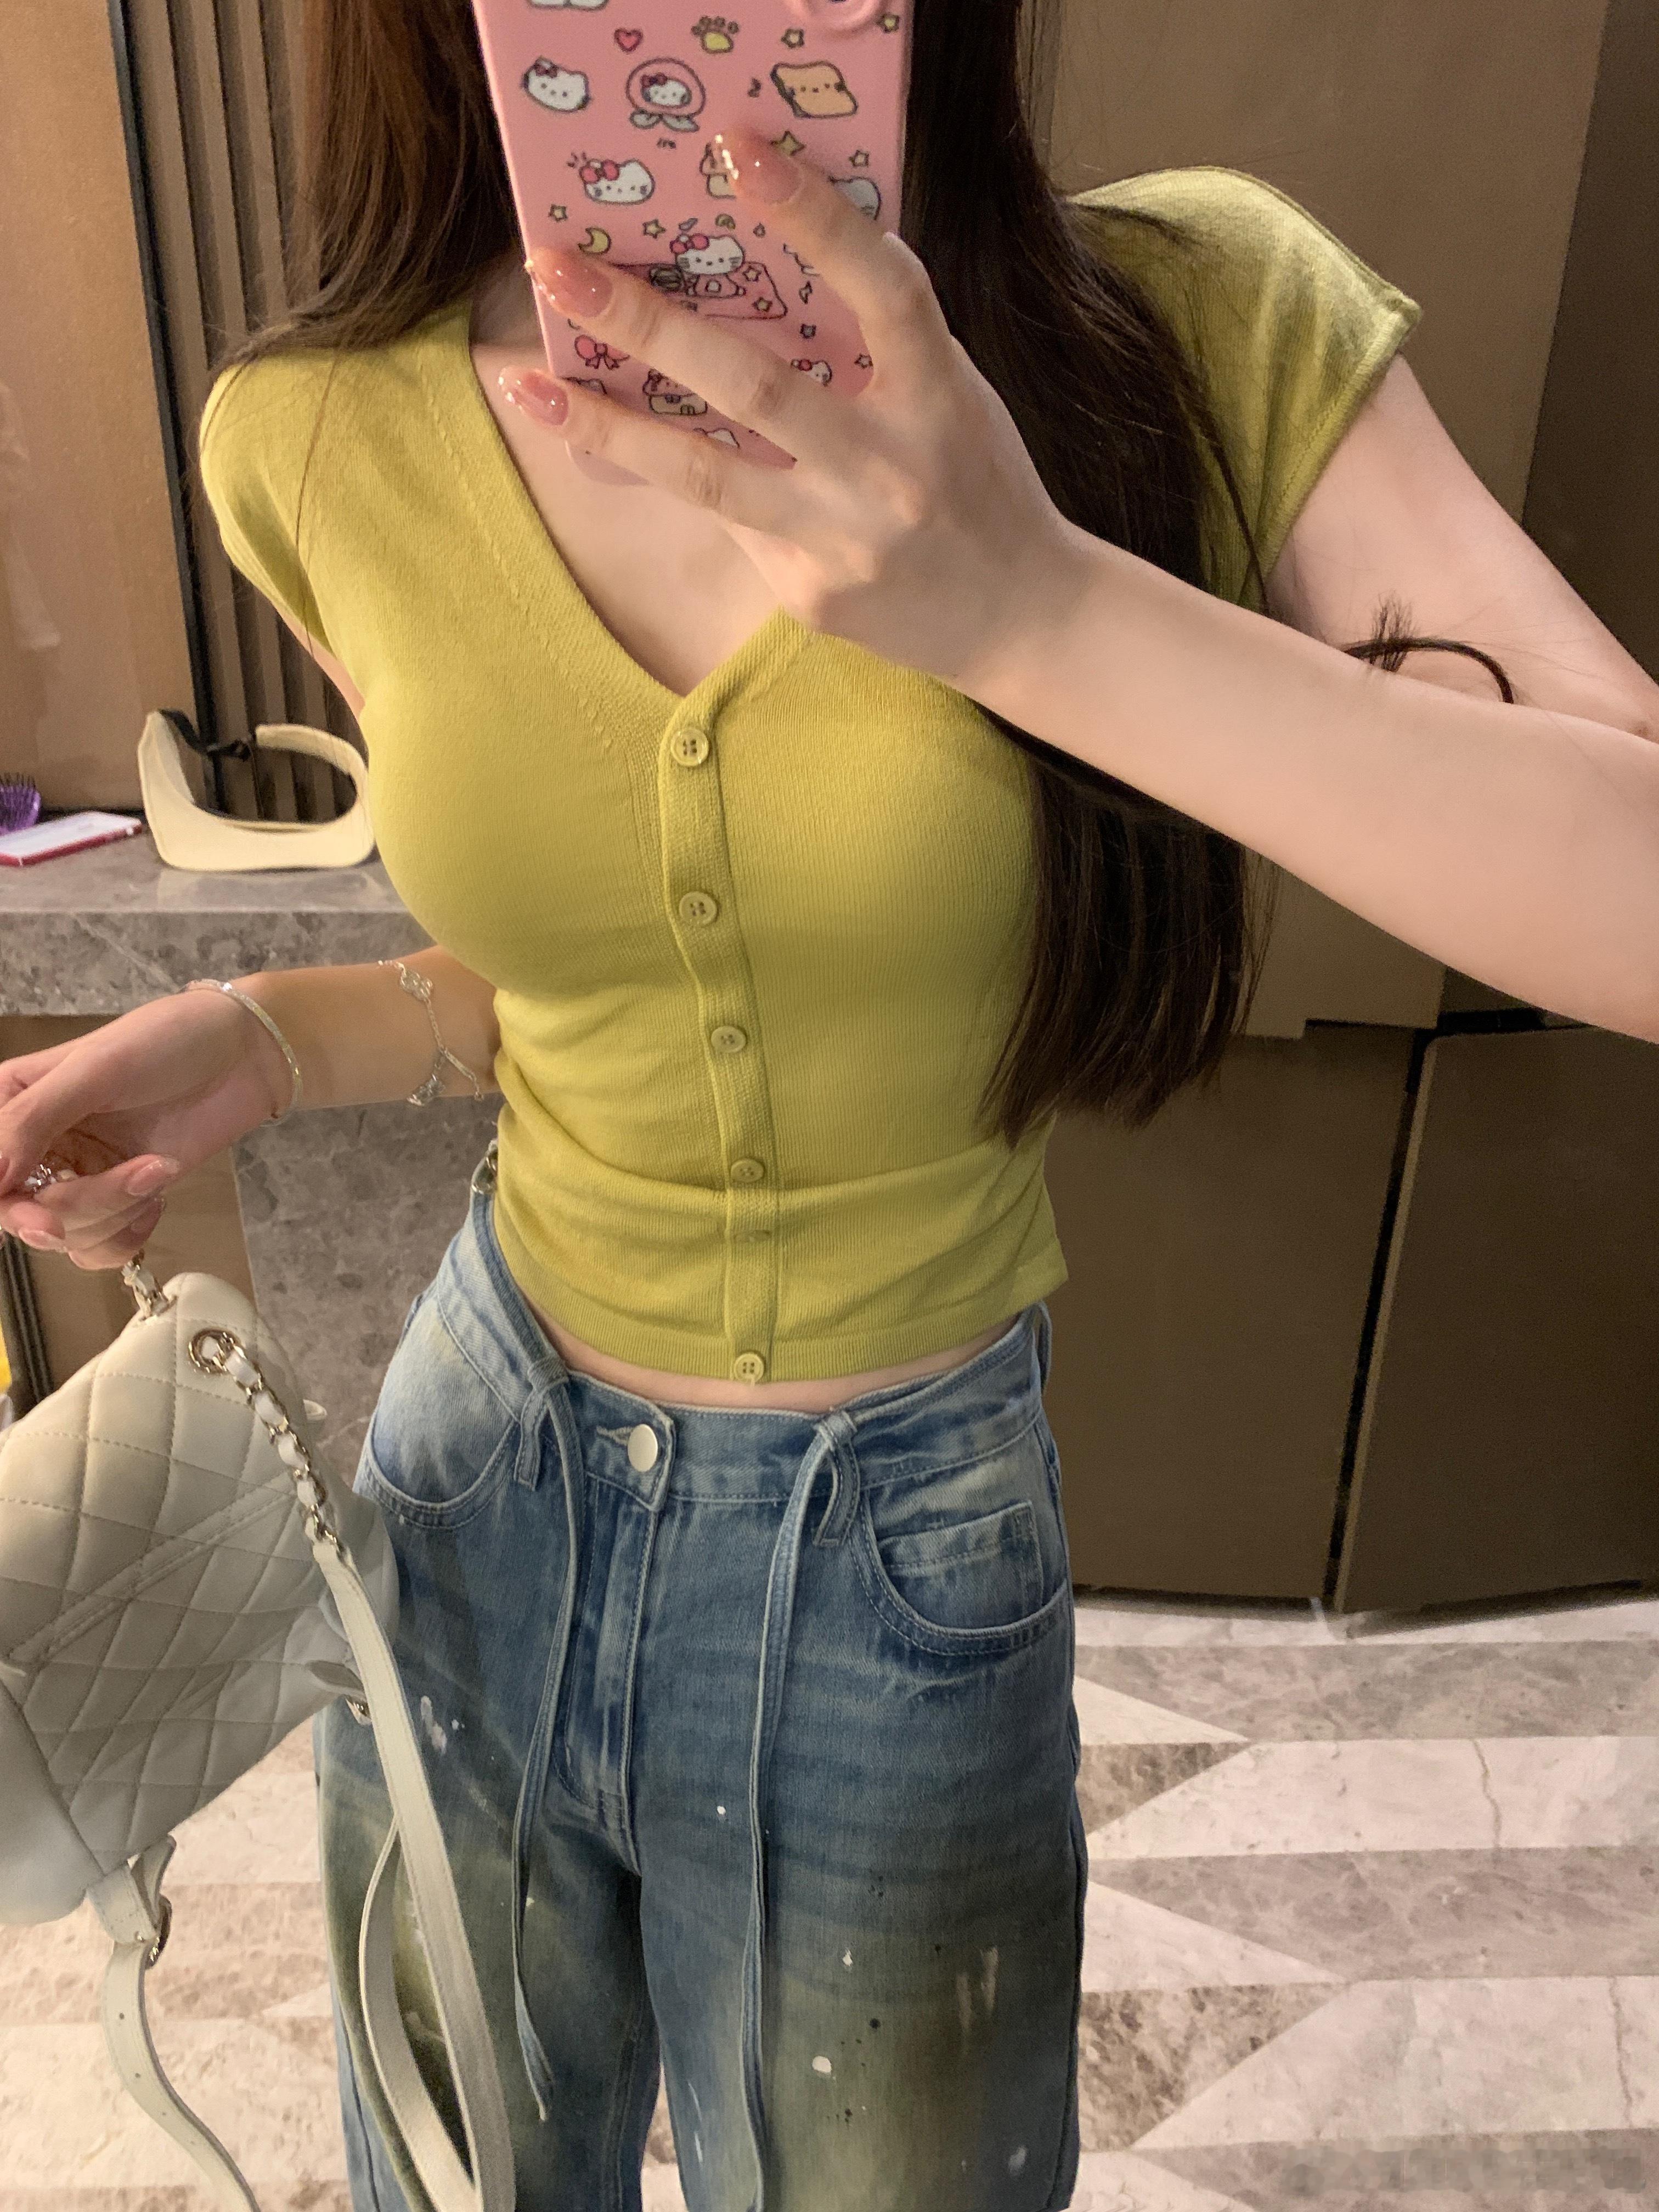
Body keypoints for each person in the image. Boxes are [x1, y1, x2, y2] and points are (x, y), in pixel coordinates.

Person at [3, 3, 1658, 2207]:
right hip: (475, 1476)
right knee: (450, 2176)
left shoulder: (1193, 326)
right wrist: (277, 1037)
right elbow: (600, 968)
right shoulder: (316, 435)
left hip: (897, 1559)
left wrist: (1034, 608)